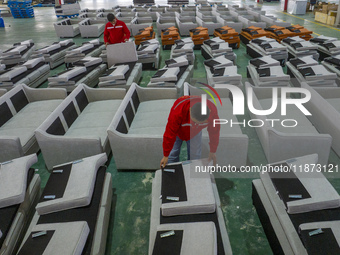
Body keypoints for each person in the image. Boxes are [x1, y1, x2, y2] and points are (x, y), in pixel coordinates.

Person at [160, 95, 220, 168]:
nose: (196, 124)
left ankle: (191, 174)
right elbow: (169, 133)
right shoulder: (177, 111)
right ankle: (172, 172)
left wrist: (213, 151)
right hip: (178, 132)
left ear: (209, 112)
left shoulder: (213, 112)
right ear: (190, 109)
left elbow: (214, 132)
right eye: (194, 121)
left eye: (200, 123)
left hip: (195, 134)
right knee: (172, 155)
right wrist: (166, 155)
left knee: (195, 157)